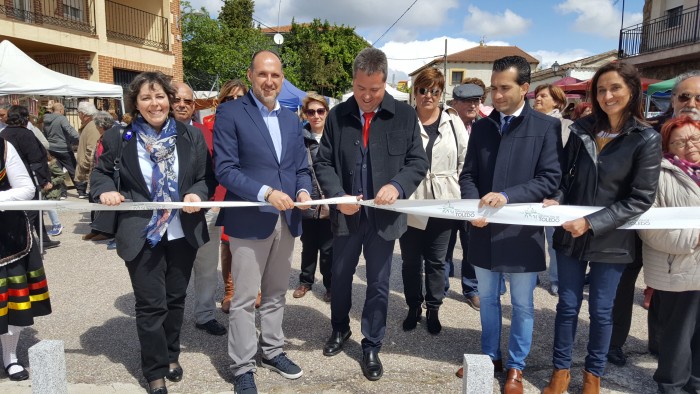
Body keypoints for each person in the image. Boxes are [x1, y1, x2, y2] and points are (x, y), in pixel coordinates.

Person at [90, 71, 215, 394]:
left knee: (175, 300)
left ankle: (171, 354)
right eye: (146, 97)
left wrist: (197, 195)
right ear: (136, 103)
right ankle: (155, 371)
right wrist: (106, 192)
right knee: (151, 304)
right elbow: (100, 175)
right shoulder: (120, 137)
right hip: (141, 233)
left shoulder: (191, 136)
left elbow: (205, 178)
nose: (154, 103)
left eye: (159, 96)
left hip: (181, 231)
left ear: (170, 100)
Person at [542, 61, 662, 394]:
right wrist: (557, 198)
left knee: (602, 310)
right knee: (567, 306)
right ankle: (560, 373)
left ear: (632, 90)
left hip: (613, 236)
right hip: (570, 231)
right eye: (601, 89)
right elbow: (566, 176)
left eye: (615, 88)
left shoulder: (646, 138)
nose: (607, 96)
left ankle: (593, 377)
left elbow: (640, 199)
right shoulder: (582, 127)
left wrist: (592, 222)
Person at [314, 47, 428, 381]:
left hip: (384, 218)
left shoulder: (405, 116)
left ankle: (372, 343)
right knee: (340, 275)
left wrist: (397, 185)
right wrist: (337, 197)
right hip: (347, 216)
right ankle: (339, 329)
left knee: (378, 283)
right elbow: (323, 161)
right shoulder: (338, 115)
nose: (366, 96)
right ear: (353, 81)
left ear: (385, 82)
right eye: (360, 88)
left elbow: (417, 162)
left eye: (374, 90)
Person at [457, 56, 563, 393]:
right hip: (484, 231)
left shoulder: (545, 127)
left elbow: (550, 179)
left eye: (505, 88)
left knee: (522, 304)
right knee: (487, 299)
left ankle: (516, 366)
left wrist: (507, 195)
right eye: (494, 88)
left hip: (522, 234)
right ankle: (490, 356)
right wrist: (474, 206)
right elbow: (469, 174)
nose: (497, 95)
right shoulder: (484, 126)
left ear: (525, 88)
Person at [213, 50, 312, 394]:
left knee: (275, 292)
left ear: (282, 78)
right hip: (250, 219)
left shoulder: (290, 118)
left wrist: (302, 191)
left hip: (287, 220)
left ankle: (272, 350)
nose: (269, 81)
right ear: (251, 75)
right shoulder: (230, 112)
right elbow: (225, 169)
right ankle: (242, 366)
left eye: (275, 75)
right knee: (243, 298)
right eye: (262, 75)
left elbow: (300, 167)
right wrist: (267, 192)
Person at [400, 68, 467, 335]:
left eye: (435, 91)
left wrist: (457, 189)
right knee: (410, 261)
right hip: (413, 200)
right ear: (415, 93)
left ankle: (434, 308)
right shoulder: (405, 121)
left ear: (442, 94)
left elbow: (465, 160)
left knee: (438, 261)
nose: (428, 96)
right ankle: (413, 306)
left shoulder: (453, 121)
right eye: (423, 90)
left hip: (444, 200)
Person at [638, 116, 700, 394]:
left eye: (694, 138)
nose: (689, 145)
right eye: (679, 141)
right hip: (677, 265)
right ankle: (670, 385)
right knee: (678, 331)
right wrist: (696, 238)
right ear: (668, 146)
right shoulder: (658, 173)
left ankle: (696, 381)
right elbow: (649, 227)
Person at [170, 81, 227, 337]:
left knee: (206, 267)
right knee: (171, 270)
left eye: (188, 101)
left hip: (206, 211)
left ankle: (204, 315)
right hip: (169, 216)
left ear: (194, 106)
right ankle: (170, 317)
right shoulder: (156, 133)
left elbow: (214, 172)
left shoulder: (206, 133)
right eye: (177, 100)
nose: (182, 105)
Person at [0, 135, 52, 381]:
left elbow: (26, 189)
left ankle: (9, 357)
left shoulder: (3, 146)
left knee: (10, 306)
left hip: (6, 239)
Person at [202, 78, 249, 313]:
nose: (235, 102)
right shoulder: (209, 125)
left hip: (248, 190)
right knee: (227, 241)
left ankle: (252, 287)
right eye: (229, 98)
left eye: (240, 98)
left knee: (252, 241)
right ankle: (230, 289)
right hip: (222, 192)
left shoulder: (254, 123)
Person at [533, 83, 574, 296]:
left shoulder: (567, 126)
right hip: (530, 188)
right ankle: (531, 274)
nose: (537, 99)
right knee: (529, 236)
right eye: (536, 96)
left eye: (543, 96)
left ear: (557, 102)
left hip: (554, 192)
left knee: (554, 240)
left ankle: (556, 279)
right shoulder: (528, 122)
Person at [0, 105, 59, 251]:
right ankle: (27, 244)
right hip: (28, 179)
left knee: (37, 210)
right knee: (31, 212)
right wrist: (44, 180)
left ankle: (44, 239)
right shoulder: (25, 134)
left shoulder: (4, 133)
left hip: (10, 180)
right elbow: (37, 159)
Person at [446, 83, 484, 310]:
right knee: (444, 244)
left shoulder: (485, 128)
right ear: (455, 104)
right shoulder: (445, 126)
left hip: (473, 196)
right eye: (467, 101)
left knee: (471, 245)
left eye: (477, 101)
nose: (473, 105)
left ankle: (471, 288)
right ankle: (439, 288)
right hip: (449, 195)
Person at [293, 92, 333, 302]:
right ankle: (305, 281)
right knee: (308, 244)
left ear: (326, 112)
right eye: (311, 111)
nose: (316, 115)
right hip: (308, 199)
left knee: (328, 248)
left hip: (328, 201)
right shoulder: (299, 138)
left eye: (320, 111)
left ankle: (330, 285)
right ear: (305, 115)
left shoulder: (333, 138)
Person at [43, 102, 83, 198]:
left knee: (58, 172)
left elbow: (44, 134)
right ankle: (81, 191)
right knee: (73, 170)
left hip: (51, 148)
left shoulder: (45, 120)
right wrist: (80, 138)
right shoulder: (61, 118)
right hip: (63, 148)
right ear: (61, 110)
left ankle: (62, 193)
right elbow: (69, 129)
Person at [74, 101, 100, 199]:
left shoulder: (92, 126)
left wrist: (84, 165)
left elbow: (92, 149)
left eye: (79, 113)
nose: (78, 115)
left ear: (83, 114)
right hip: (89, 170)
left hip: (91, 171)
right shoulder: (90, 125)